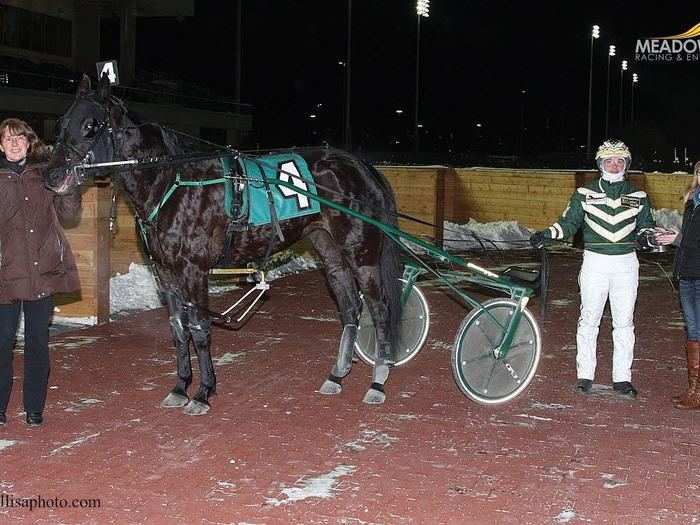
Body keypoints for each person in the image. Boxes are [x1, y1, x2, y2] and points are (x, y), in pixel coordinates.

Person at [530, 140, 676, 398]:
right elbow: (568, 224)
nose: (614, 164)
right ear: (600, 164)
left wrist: (651, 237)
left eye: (620, 160)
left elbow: (644, 227)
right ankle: (584, 375)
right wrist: (546, 234)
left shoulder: (638, 196)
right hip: (594, 262)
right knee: (588, 320)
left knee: (625, 323)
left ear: (626, 164)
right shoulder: (584, 193)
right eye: (609, 160)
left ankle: (622, 378)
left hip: (626, 264)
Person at [0, 118, 81, 426]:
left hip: (42, 271)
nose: (14, 143)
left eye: (19, 138)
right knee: (2, 342)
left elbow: (69, 215)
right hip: (5, 275)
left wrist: (68, 187)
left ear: (28, 142)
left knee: (37, 342)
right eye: (8, 139)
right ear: (1, 145)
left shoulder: (44, 174)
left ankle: (34, 408)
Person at [672, 160, 700, 410]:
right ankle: (695, 389)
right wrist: (674, 239)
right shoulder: (692, 201)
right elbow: (688, 238)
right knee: (693, 331)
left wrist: (680, 240)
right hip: (687, 273)